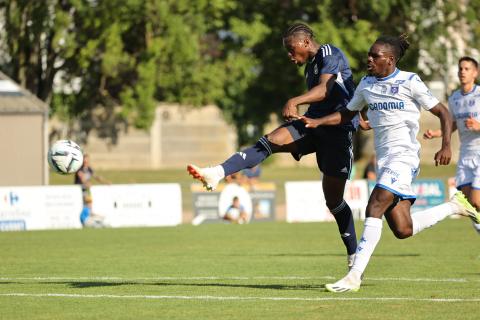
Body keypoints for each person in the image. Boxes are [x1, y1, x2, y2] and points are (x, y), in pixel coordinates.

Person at [299, 34, 480, 292]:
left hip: (404, 156)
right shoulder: (366, 84)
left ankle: (354, 276)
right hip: (385, 160)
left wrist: (446, 145)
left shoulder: (410, 81)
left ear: (391, 60)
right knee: (403, 228)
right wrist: (318, 121)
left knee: (375, 204)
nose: (369, 59)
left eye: (375, 56)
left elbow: (442, 111)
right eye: (369, 55)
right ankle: (453, 206)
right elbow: (348, 113)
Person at [187, 22, 359, 269]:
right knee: (271, 140)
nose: (290, 56)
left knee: (334, 201)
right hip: (312, 124)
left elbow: (325, 89)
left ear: (306, 42)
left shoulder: (328, 53)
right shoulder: (309, 68)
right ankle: (217, 173)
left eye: (292, 50)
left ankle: (354, 255)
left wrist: (295, 100)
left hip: (338, 131)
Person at [423, 56, 480, 234]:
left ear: (475, 73)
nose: (462, 71)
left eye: (467, 69)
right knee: (469, 204)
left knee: (477, 201)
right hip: (465, 155)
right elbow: (453, 124)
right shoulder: (455, 98)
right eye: (460, 68)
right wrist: (437, 134)